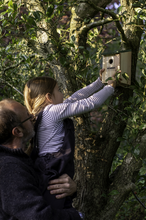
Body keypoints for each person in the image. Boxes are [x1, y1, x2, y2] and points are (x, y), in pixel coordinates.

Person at [24, 69, 119, 209]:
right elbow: (90, 103)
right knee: (58, 204)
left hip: (46, 166)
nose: (62, 93)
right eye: (59, 90)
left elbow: (75, 98)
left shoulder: (41, 114)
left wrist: (99, 82)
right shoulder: (52, 112)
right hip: (55, 166)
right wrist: (110, 87)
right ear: (49, 97)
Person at [0, 99, 81, 220]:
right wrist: (76, 216)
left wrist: (70, 189)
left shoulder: (20, 159)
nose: (33, 117)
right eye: (27, 116)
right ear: (18, 131)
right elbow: (38, 216)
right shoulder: (8, 169)